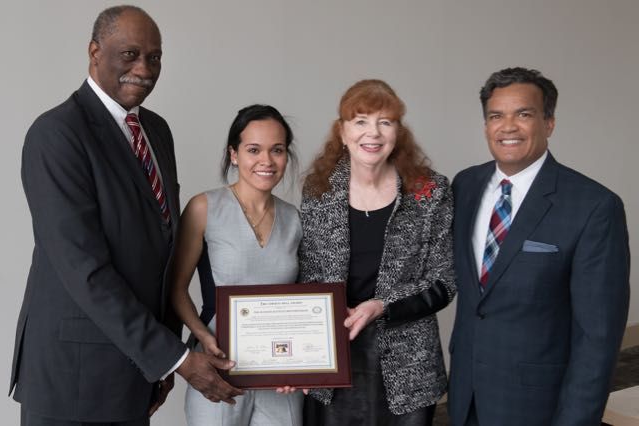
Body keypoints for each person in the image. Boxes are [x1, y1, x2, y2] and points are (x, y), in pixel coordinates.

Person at [10, 5, 240, 425]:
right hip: (72, 381)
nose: (144, 68)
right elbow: (85, 271)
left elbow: (163, 253)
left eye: (154, 57)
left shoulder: (156, 131)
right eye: (129, 54)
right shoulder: (56, 134)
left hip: (134, 374)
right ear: (94, 52)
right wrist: (175, 358)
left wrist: (166, 358)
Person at [447, 67, 630, 425]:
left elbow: (598, 337)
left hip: (537, 404)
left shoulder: (594, 206)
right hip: (466, 393)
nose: (508, 126)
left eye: (524, 114)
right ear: (486, 126)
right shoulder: (465, 186)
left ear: (549, 123)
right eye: (496, 116)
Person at [299, 79, 456, 425]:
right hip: (333, 355)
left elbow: (444, 282)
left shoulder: (431, 191)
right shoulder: (318, 190)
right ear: (342, 132)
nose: (373, 133)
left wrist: (383, 306)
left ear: (398, 132)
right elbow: (307, 276)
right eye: (361, 121)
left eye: (385, 122)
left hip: (409, 367)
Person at [171, 104, 304, 426]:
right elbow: (175, 289)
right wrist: (202, 335)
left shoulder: (295, 218)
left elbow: (303, 302)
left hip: (280, 377)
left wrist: (307, 362)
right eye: (253, 149)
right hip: (219, 366)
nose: (266, 161)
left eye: (277, 150)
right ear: (234, 154)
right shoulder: (204, 208)